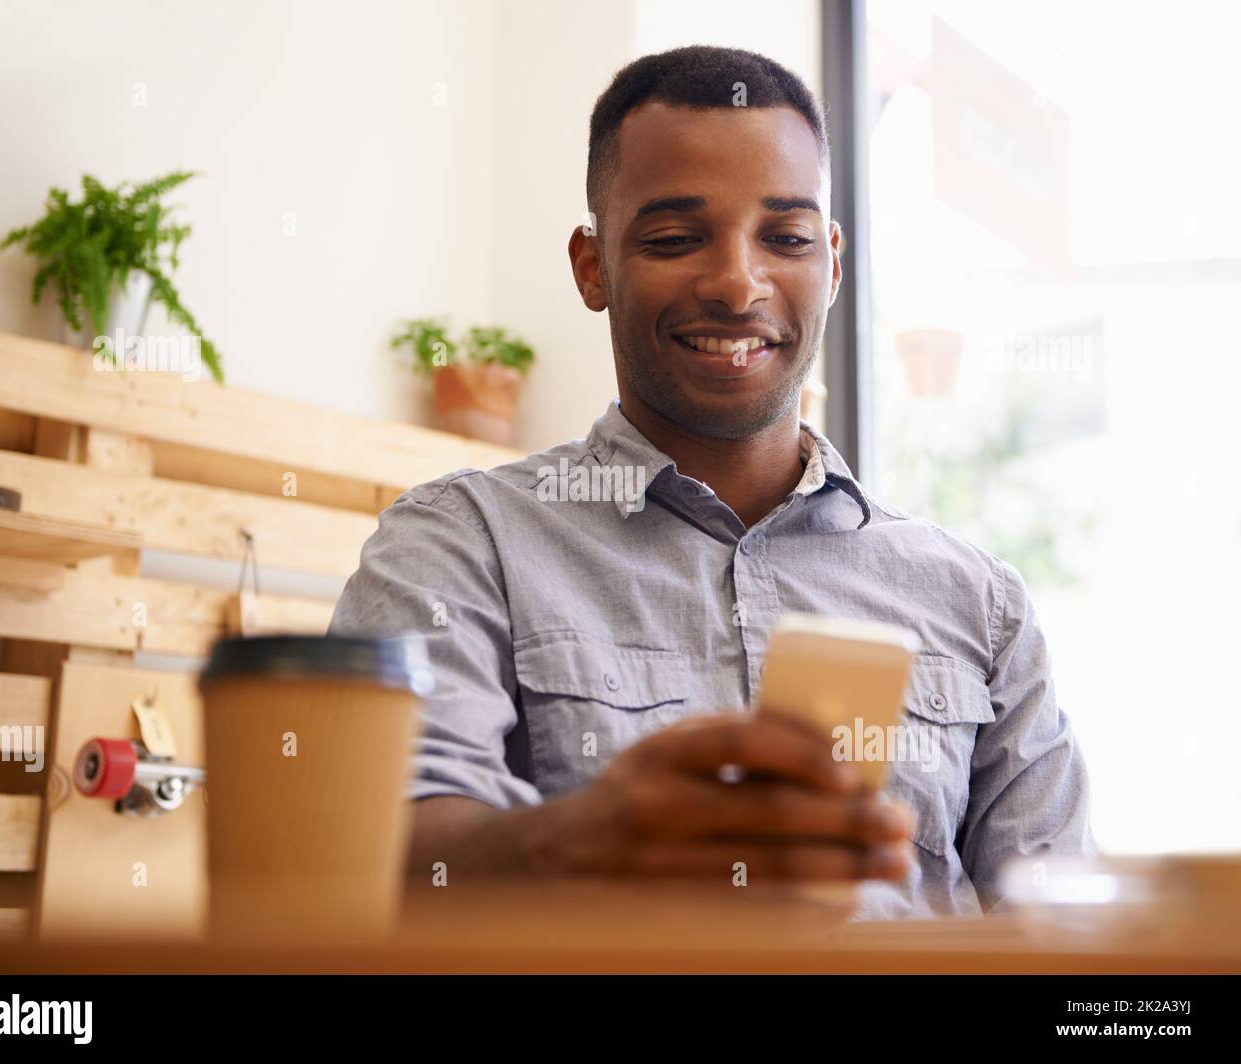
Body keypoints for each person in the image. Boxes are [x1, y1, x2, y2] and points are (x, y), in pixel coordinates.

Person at [329, 44, 1097, 919]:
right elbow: (377, 863)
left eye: (787, 238)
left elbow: (1064, 937)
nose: (738, 284)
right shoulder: (459, 548)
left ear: (833, 265)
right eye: (673, 238)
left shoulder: (980, 606)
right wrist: (588, 840)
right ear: (592, 266)